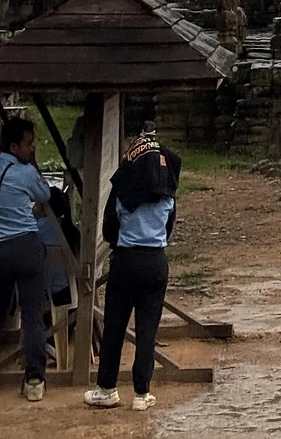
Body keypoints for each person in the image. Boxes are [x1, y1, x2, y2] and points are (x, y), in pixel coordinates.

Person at [84, 122, 180, 412]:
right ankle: (141, 393)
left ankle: (107, 389)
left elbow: (109, 230)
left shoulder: (122, 194)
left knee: (114, 326)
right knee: (147, 331)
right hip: (155, 263)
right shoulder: (167, 197)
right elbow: (169, 229)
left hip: (125, 262)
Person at [0, 115, 51, 403]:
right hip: (26, 246)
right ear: (13, 146)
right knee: (32, 315)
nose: (32, 148)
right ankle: (34, 380)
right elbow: (44, 193)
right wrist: (33, 165)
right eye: (29, 144)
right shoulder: (26, 172)